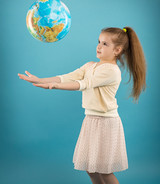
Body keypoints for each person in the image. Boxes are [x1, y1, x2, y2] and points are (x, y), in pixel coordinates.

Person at [18, 27, 147, 184]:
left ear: (117, 50)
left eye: (105, 44)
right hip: (91, 120)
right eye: (99, 42)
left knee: (104, 171)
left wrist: (53, 86)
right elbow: (67, 77)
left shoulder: (112, 71)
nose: (99, 46)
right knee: (91, 169)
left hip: (106, 123)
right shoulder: (90, 65)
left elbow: (84, 84)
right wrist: (40, 80)